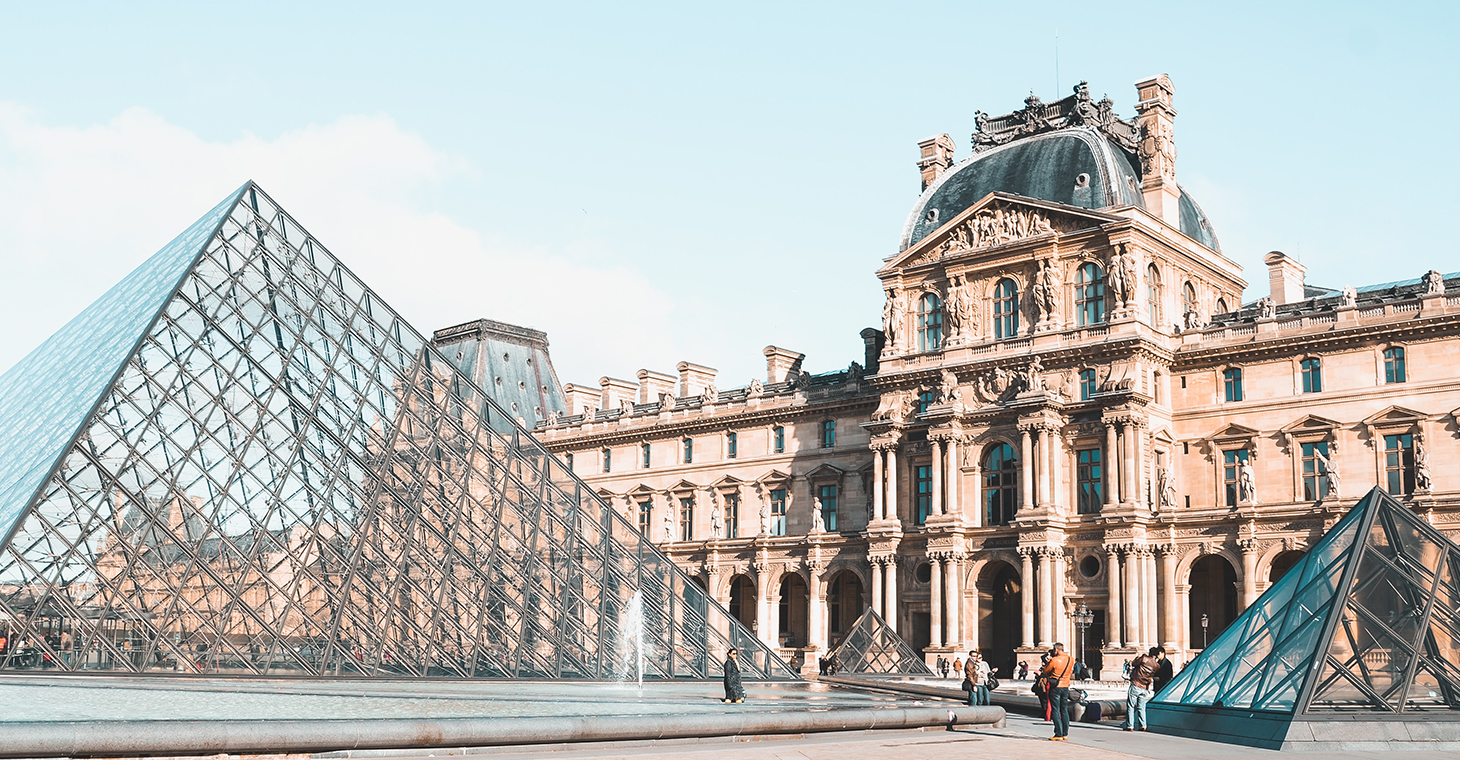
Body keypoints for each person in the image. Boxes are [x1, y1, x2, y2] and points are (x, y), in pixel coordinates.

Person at [1037, 643, 1076, 741]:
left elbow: (1045, 671)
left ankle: (1058, 733)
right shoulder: (1070, 659)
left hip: (1056, 687)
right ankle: (1065, 733)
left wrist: (1048, 660)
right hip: (1065, 686)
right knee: (1064, 710)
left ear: (1056, 650)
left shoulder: (1054, 660)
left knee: (1055, 709)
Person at [1123, 647, 1159, 731]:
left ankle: (1130, 726)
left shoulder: (1144, 658)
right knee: (1141, 707)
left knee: (1131, 706)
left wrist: (1138, 657)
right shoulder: (1157, 666)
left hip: (1136, 684)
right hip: (1145, 687)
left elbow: (1134, 663)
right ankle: (1143, 725)